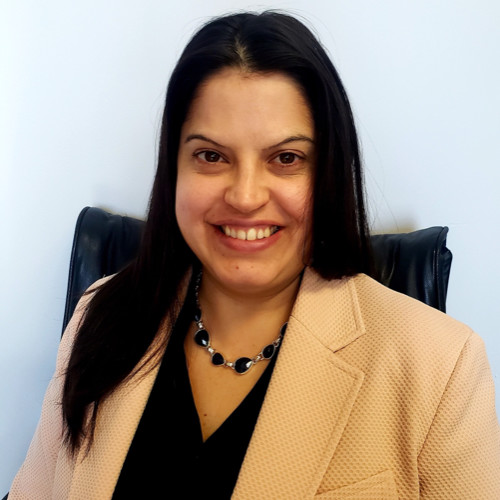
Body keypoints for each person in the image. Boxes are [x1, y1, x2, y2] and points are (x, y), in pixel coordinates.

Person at [8, 11, 500, 500]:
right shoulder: (101, 314)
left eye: (286, 158)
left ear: (328, 173)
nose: (245, 197)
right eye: (211, 156)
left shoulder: (440, 365)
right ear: (174, 167)